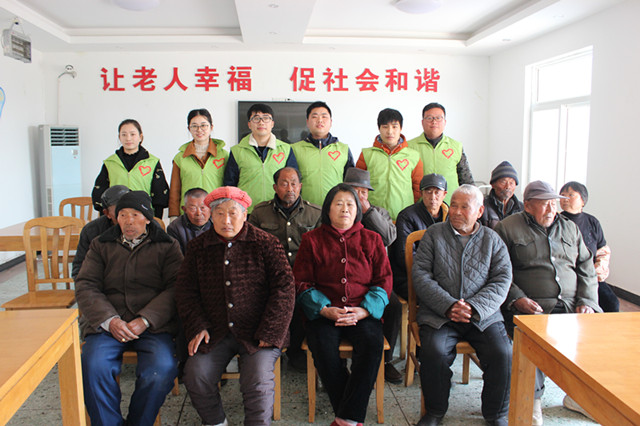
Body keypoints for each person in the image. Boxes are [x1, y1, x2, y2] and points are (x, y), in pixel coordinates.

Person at [176, 186, 295, 426]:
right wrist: (198, 326)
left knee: (257, 382)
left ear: (245, 214)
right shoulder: (198, 247)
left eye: (232, 213)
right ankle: (216, 421)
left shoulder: (266, 243)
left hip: (258, 332)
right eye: (219, 213)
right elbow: (186, 291)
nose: (226, 220)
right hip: (215, 331)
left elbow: (285, 289)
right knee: (196, 374)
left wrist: (270, 331)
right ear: (211, 215)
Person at [494, 180, 601, 426]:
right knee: (533, 340)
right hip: (533, 307)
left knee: (600, 335)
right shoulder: (508, 228)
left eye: (554, 203)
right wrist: (517, 298)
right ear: (528, 206)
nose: (552, 209)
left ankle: (579, 397)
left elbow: (586, 266)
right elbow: (498, 272)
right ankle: (532, 402)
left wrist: (587, 300)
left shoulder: (570, 229)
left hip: (572, 304)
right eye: (545, 203)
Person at [76, 191, 183, 426]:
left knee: (161, 369)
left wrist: (145, 320)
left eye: (135, 215)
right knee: (93, 366)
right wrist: (110, 320)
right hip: (108, 324)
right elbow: (86, 284)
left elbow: (176, 288)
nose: (129, 221)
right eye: (123, 215)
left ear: (148, 218)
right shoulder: (101, 244)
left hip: (152, 325)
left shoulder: (167, 245)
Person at [413, 185, 512, 426]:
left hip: (483, 316)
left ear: (479, 211)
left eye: (464, 207)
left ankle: (496, 414)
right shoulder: (434, 234)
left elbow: (502, 279)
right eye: (454, 205)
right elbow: (421, 275)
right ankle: (435, 411)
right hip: (440, 314)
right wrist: (448, 305)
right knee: (434, 352)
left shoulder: (492, 239)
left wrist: (475, 307)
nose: (456, 211)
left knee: (502, 353)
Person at [294, 184, 392, 426]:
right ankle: (350, 417)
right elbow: (301, 281)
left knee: (372, 345)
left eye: (350, 204)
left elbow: (383, 280)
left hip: (362, 311)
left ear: (357, 210)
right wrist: (324, 309)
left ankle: (344, 419)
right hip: (325, 312)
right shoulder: (311, 240)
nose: (345, 209)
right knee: (323, 347)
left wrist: (365, 310)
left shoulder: (372, 239)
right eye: (338, 204)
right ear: (328, 209)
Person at [248, 167, 322, 372]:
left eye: (294, 183)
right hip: (270, 275)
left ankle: (296, 351)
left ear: (300, 186)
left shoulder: (315, 213)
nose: (290, 188)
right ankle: (271, 349)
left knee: (299, 299)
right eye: (284, 183)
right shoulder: (260, 212)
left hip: (304, 275)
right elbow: (251, 248)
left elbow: (322, 250)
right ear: (275, 187)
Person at [342, 167, 401, 383]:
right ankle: (340, 362)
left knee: (393, 305)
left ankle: (386, 360)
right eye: (354, 191)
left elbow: (388, 238)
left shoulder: (379, 213)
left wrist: (367, 211)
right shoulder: (337, 210)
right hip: (343, 278)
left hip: (374, 280)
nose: (359, 196)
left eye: (364, 192)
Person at [223, 103, 298, 213]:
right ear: (249, 124)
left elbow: (294, 182)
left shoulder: (286, 150)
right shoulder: (237, 151)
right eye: (256, 118)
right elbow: (230, 185)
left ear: (272, 123)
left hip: (279, 211)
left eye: (266, 118)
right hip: (247, 212)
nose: (261, 122)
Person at [560, 181, 618, 312]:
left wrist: (595, 273)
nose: (565, 199)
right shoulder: (556, 220)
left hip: (591, 275)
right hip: (567, 275)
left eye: (571, 195)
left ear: (583, 200)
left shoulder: (592, 221)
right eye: (562, 195)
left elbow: (602, 251)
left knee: (612, 303)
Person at [92, 119, 169, 218]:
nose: (128, 138)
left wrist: (156, 219)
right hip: (117, 216)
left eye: (132, 134)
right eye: (124, 135)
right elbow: (100, 192)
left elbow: (160, 194)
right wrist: (107, 216)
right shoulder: (110, 163)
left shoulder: (152, 162)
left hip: (144, 215)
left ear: (140, 137)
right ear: (119, 137)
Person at [389, 173, 449, 301]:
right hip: (409, 277)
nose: (432, 197)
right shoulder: (407, 216)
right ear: (421, 193)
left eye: (437, 192)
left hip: (442, 277)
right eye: (428, 191)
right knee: (440, 298)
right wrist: (435, 272)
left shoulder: (450, 216)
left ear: (444, 194)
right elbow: (404, 256)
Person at [356, 108, 423, 220]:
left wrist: (407, 206)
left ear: (401, 128)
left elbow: (418, 188)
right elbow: (358, 187)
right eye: (385, 127)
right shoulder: (366, 154)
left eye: (394, 127)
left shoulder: (413, 156)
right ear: (379, 128)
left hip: (404, 217)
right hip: (373, 216)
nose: (390, 131)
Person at [291, 101, 355, 205]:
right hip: (305, 209)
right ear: (307, 122)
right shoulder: (295, 149)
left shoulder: (343, 149)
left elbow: (351, 184)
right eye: (315, 116)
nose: (320, 120)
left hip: (336, 208)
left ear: (331, 122)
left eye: (324, 116)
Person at [408, 103, 474, 205]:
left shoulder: (456, 146)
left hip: (451, 205)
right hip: (420, 206)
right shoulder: (409, 147)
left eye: (438, 118)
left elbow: (466, 179)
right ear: (422, 122)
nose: (434, 122)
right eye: (429, 118)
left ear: (445, 122)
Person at [168, 108, 229, 219]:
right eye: (194, 126)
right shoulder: (180, 157)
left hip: (216, 213)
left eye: (203, 125)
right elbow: (175, 191)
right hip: (189, 213)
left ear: (211, 127)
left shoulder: (223, 155)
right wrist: (173, 215)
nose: (199, 130)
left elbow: (229, 187)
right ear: (189, 129)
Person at [72, 184, 129, 279]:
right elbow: (80, 268)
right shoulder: (91, 231)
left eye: (132, 210)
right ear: (107, 213)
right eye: (121, 212)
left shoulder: (149, 226)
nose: (128, 218)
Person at [167, 187, 212, 254]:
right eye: (193, 208)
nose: (198, 213)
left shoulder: (219, 223)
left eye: (202, 208)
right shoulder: (174, 228)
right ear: (184, 209)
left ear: (210, 207)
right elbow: (176, 257)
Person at [481, 161, 524, 229]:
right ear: (493, 185)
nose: (508, 187)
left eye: (511, 183)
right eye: (503, 182)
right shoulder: (482, 206)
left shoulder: (521, 208)